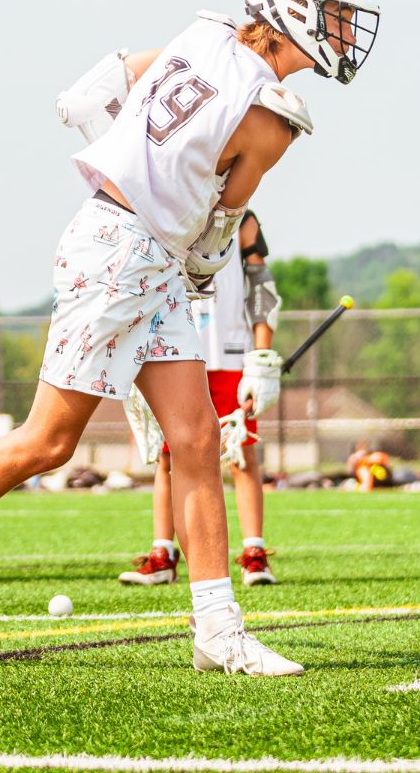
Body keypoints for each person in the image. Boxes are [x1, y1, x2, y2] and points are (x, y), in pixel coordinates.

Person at [0, 0, 379, 675]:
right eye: (336, 13)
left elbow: (104, 87)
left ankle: (217, 631)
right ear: (293, 9)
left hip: (125, 245)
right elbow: (217, 231)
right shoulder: (271, 121)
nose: (346, 30)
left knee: (195, 443)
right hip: (127, 257)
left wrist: (131, 166)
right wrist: (177, 232)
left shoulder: (205, 36)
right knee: (48, 442)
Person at [118, 210, 283, 587]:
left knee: (241, 452)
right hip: (174, 350)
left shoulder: (242, 219)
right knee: (167, 454)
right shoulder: (164, 207)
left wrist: (261, 356)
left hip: (229, 353)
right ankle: (163, 553)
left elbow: (261, 288)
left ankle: (254, 553)